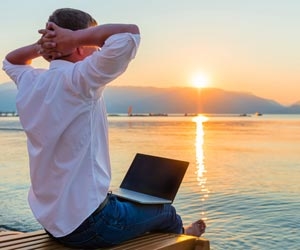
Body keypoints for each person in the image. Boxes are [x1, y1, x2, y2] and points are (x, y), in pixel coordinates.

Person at [2, 8, 206, 249]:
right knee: (165, 211)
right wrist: (75, 38)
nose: (98, 49)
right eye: (93, 44)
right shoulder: (81, 80)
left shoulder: (31, 82)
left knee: (127, 201)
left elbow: (10, 60)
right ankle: (185, 235)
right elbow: (130, 34)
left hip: (53, 222)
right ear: (78, 47)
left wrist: (44, 45)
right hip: (89, 226)